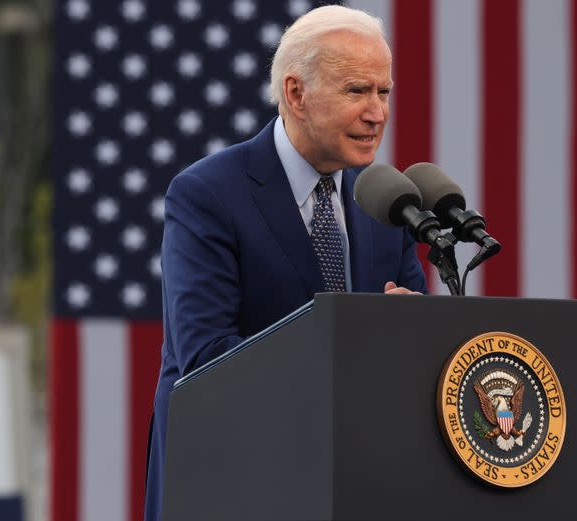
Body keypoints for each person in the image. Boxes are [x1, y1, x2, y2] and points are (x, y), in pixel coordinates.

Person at [144, 5, 427, 520]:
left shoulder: (389, 201)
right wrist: (358, 341)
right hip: (234, 486)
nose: (377, 112)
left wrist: (412, 333)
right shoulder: (207, 195)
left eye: (383, 92)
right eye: (356, 91)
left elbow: (417, 348)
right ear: (296, 94)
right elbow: (209, 359)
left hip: (351, 488)